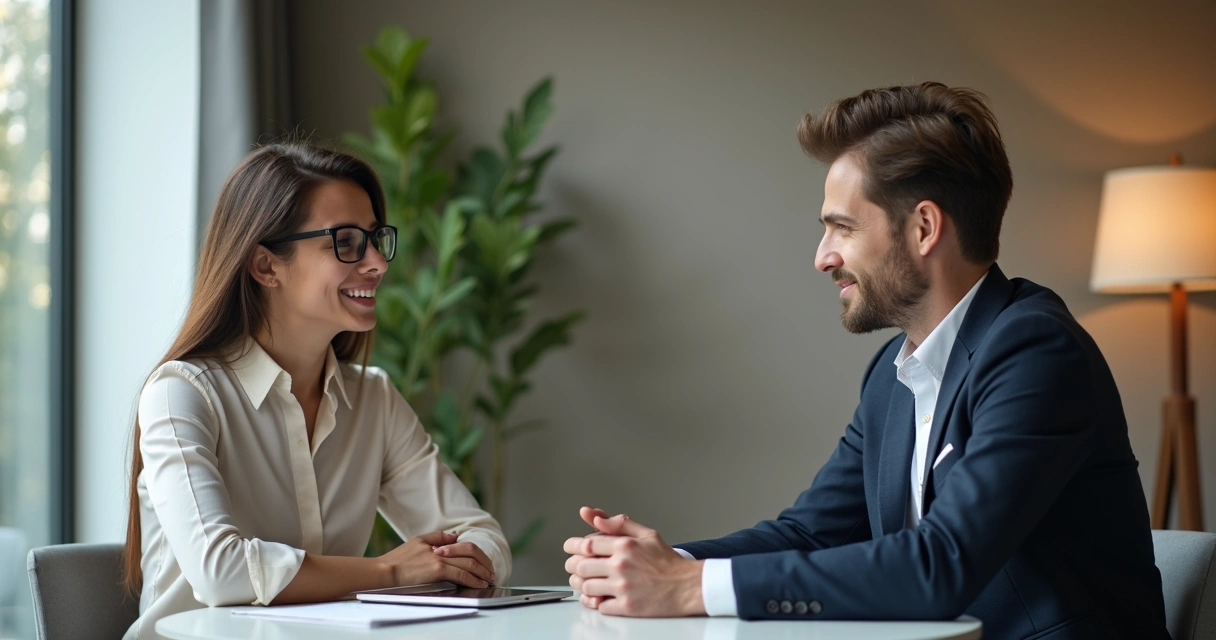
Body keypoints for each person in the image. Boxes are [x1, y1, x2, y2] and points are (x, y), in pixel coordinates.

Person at [563, 82, 1168, 639]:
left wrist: (689, 587)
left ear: (924, 227)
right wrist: (661, 563)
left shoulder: (1035, 350)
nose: (823, 256)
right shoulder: (891, 374)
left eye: (843, 228)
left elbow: (941, 565)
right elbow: (810, 533)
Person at [121, 143, 510, 640]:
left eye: (375, 239)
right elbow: (220, 570)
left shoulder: (373, 400)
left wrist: (455, 562)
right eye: (346, 242)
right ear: (267, 266)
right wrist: (391, 571)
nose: (377, 263)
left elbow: (483, 536)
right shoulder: (182, 393)